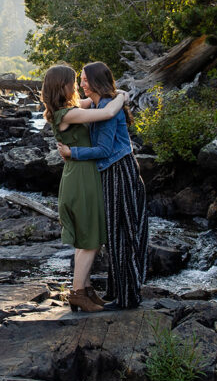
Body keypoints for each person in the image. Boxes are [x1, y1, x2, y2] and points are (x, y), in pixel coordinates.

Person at [57, 62, 148, 309]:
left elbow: (105, 150)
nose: (81, 84)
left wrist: (72, 152)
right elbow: (72, 108)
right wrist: (121, 95)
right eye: (80, 80)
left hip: (119, 171)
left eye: (85, 80)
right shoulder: (98, 103)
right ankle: (116, 291)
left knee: (123, 233)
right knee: (114, 234)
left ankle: (127, 296)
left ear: (96, 81)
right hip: (109, 173)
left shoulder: (107, 106)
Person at [40, 64, 127, 312]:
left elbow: (97, 101)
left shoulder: (68, 110)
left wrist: (115, 92)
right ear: (63, 86)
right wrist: (122, 95)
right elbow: (107, 113)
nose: (78, 86)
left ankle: (87, 289)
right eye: (74, 81)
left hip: (79, 174)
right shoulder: (68, 114)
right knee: (90, 240)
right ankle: (78, 292)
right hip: (81, 177)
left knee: (87, 237)